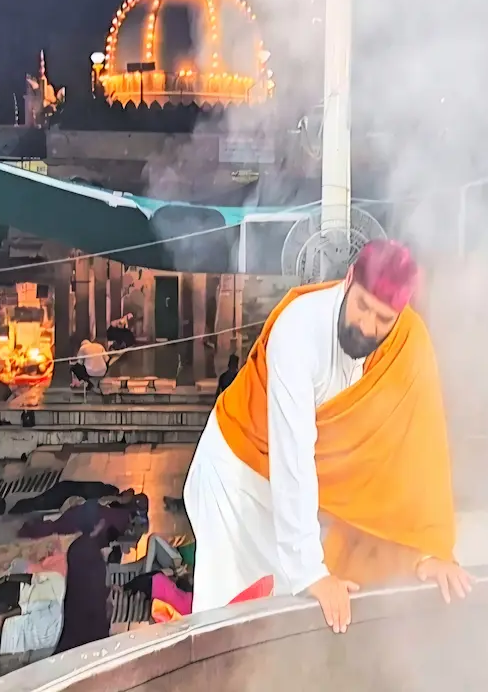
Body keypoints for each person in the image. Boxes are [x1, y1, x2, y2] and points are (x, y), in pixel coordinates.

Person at [184, 239, 471, 634]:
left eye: (383, 319)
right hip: (236, 476)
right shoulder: (298, 332)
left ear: (401, 316)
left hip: (295, 492)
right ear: (349, 279)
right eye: (363, 306)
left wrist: (425, 550)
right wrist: (309, 572)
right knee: (228, 613)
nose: (368, 326)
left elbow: (419, 449)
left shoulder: (407, 343)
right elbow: (293, 457)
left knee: (291, 615)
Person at [53, 502, 112, 654]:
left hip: (73, 611)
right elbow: (94, 593)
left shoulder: (76, 545)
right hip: (89, 620)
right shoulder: (93, 553)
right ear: (96, 524)